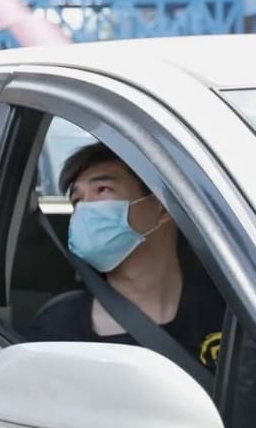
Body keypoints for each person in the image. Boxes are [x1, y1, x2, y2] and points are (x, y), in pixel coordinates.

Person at [29, 142, 225, 371]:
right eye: (77, 200)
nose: (84, 210)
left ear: (162, 208)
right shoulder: (58, 331)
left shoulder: (229, 307)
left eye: (102, 190)